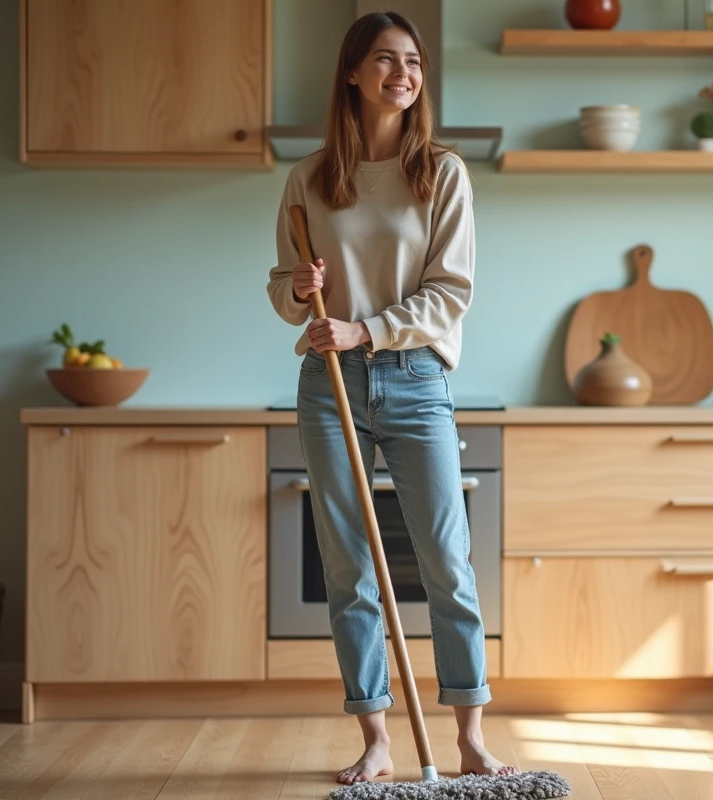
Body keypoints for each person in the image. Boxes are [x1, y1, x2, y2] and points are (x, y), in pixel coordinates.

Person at [266, 11, 512, 787]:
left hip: (414, 383)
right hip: (327, 387)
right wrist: (298, 290)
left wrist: (363, 329)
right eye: (384, 60)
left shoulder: (441, 174)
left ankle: (471, 741)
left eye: (413, 62)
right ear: (351, 73)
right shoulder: (308, 178)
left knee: (447, 561)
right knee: (349, 569)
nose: (402, 73)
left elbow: (450, 294)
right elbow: (282, 288)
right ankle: (375, 739)